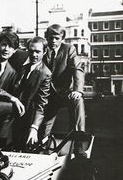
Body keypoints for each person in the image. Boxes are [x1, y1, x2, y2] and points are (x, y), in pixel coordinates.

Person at [41, 24, 85, 154]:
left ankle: (78, 143)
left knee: (78, 101)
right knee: (44, 130)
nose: (53, 41)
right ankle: (42, 147)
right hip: (49, 95)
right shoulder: (42, 50)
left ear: (62, 38)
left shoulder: (69, 49)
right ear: (46, 38)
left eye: (56, 38)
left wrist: (77, 90)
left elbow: (77, 68)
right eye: (50, 38)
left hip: (66, 93)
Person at [11, 36, 51, 150]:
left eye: (38, 52)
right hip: (15, 115)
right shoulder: (23, 67)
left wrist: (34, 127)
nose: (34, 55)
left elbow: (41, 103)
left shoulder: (45, 73)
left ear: (44, 52)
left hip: (29, 120)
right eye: (31, 51)